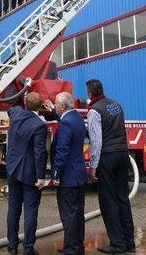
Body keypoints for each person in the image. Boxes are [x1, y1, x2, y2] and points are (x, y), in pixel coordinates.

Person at [86, 79, 135, 254]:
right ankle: (129, 242)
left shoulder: (94, 111)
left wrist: (93, 166)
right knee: (122, 198)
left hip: (107, 157)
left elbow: (96, 141)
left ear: (90, 93)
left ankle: (117, 244)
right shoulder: (116, 105)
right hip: (123, 154)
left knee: (108, 202)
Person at [5, 92, 48, 255]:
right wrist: (41, 177)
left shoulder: (15, 114)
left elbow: (11, 108)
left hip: (12, 169)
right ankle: (28, 248)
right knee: (30, 210)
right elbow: (40, 153)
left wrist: (23, 90)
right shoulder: (39, 125)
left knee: (13, 209)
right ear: (41, 106)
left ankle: (12, 245)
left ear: (24, 102)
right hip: (30, 173)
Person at [51, 92, 88, 255]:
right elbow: (66, 122)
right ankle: (77, 246)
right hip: (79, 175)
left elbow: (62, 150)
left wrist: (56, 173)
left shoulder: (66, 123)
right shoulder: (77, 118)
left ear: (63, 106)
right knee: (78, 214)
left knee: (69, 215)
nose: (55, 107)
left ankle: (71, 249)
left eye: (56, 105)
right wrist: (53, 111)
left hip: (68, 177)